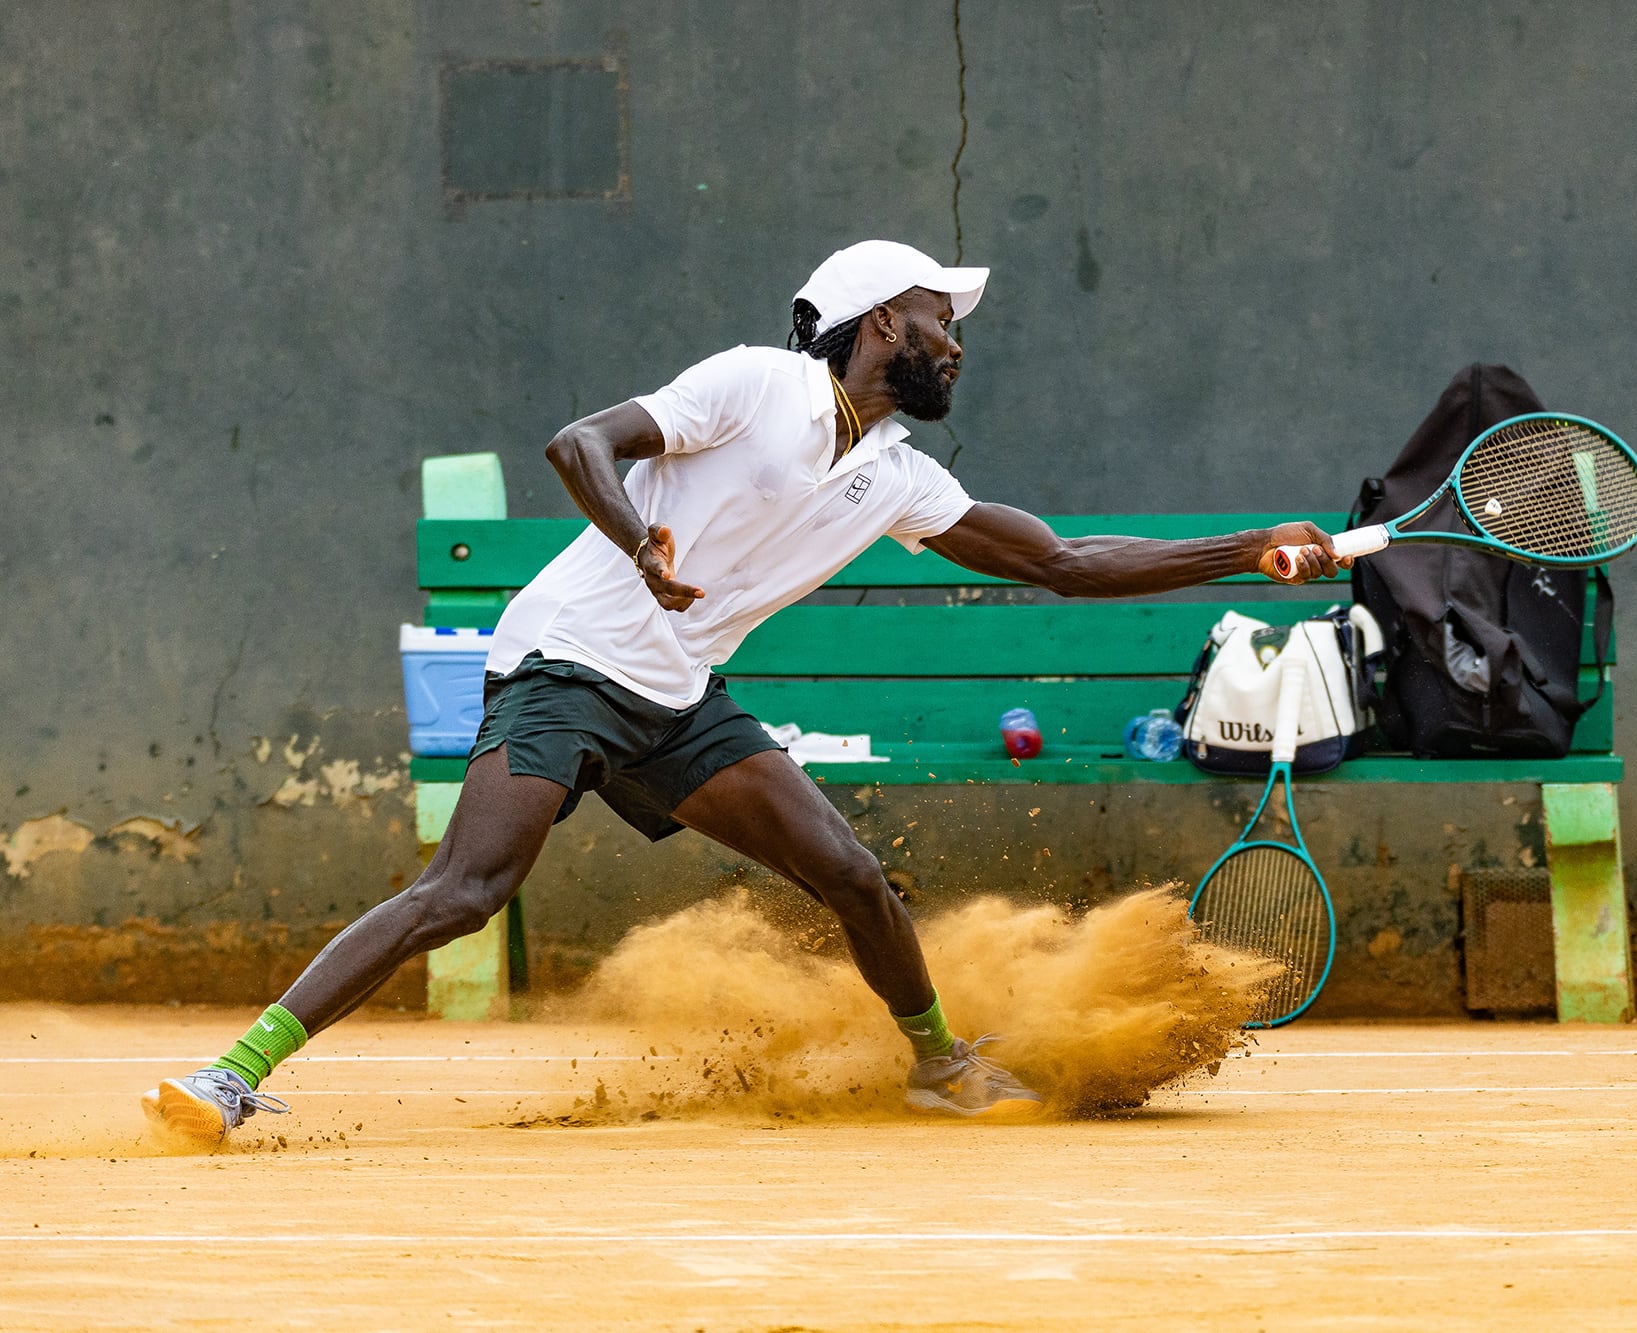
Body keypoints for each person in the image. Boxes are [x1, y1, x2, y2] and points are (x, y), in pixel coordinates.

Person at [141, 240, 1349, 1138]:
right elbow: (581, 444)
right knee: (468, 888)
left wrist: (1242, 549)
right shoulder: (756, 385)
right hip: (565, 661)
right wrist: (637, 543)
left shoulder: (896, 475)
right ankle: (234, 1071)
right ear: (880, 321)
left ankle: (934, 1060)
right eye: (940, 316)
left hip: (675, 694)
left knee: (852, 876)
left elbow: (1061, 564)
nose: (957, 340)